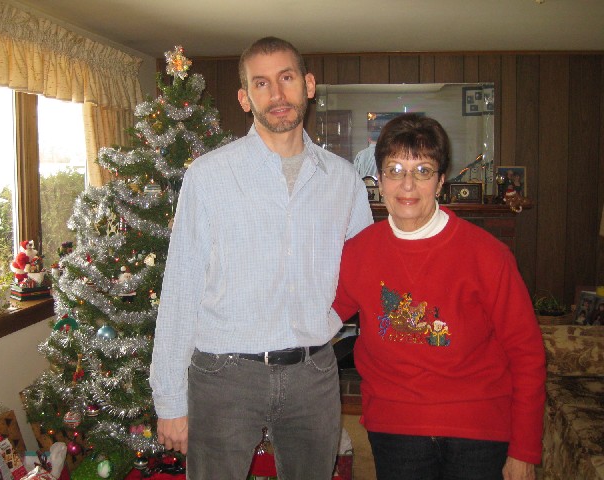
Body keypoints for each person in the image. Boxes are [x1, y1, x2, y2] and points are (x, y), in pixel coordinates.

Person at [150, 36, 373, 479]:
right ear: (244, 97)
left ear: (308, 85)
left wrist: (329, 321)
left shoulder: (343, 180)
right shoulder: (208, 177)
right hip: (225, 376)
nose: (277, 94)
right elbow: (180, 288)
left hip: (313, 374)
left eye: (286, 78)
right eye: (261, 83)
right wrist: (170, 399)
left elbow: (365, 272)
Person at [331, 113, 546, 480]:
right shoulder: (357, 253)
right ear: (379, 179)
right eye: (395, 170)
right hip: (396, 429)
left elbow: (526, 353)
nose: (408, 184)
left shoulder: (488, 255)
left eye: (423, 171)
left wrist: (524, 448)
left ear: (441, 180)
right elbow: (318, 317)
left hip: (478, 429)